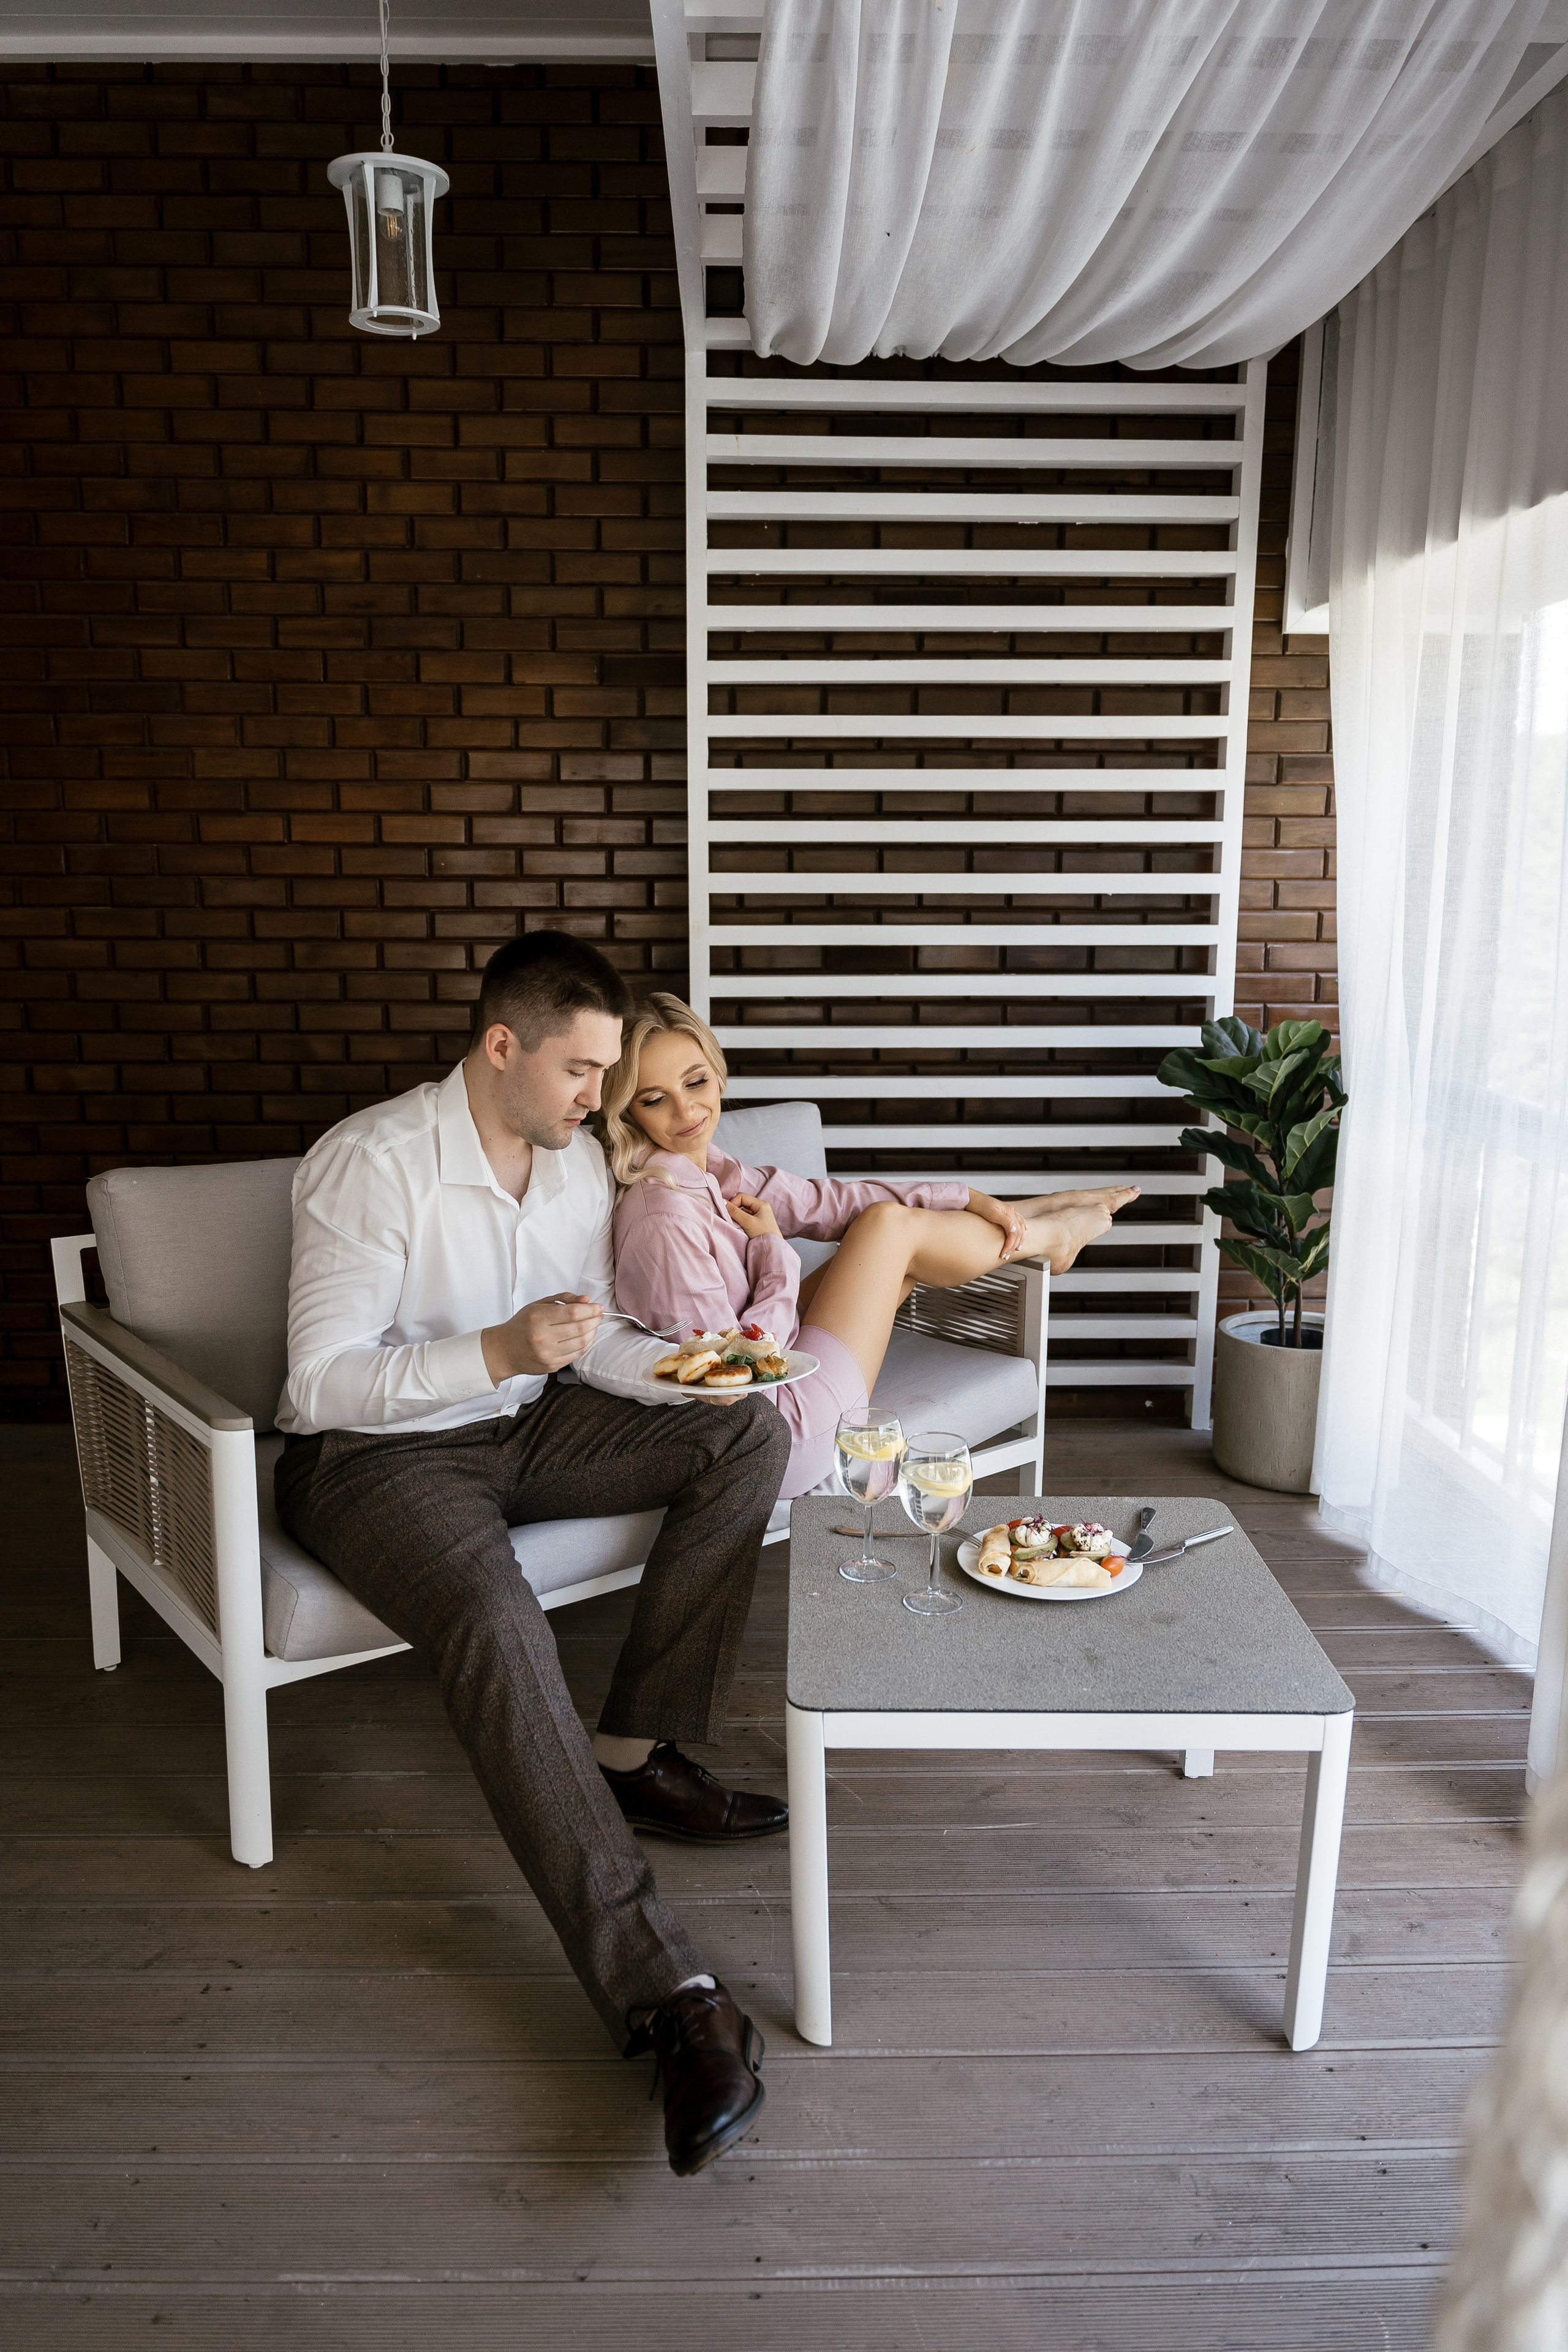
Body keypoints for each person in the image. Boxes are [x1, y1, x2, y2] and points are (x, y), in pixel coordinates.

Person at [272, 932, 793, 2179]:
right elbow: (316, 1381)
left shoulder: (568, 1167)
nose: (599, 1098)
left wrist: (677, 1377)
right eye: (579, 1070)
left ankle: (633, 1748)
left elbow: (587, 1333)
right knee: (502, 1622)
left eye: (606, 1070)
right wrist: (496, 1355)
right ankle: (673, 1994)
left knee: (745, 1436)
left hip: (528, 1422)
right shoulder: (371, 1163)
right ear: (500, 1047)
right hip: (375, 1459)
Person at [601, 995, 1141, 1498]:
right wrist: (770, 1250)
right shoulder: (663, 1217)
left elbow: (831, 1203)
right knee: (888, 1231)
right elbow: (734, 1379)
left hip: (784, 1358)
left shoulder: (712, 1169)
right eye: (655, 1099)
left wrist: (971, 1197)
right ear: (629, 1113)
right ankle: (1048, 1235)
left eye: (696, 1082)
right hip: (779, 1429)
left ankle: (1032, 1217)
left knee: (882, 1228)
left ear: (717, 1074)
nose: (687, 1111)